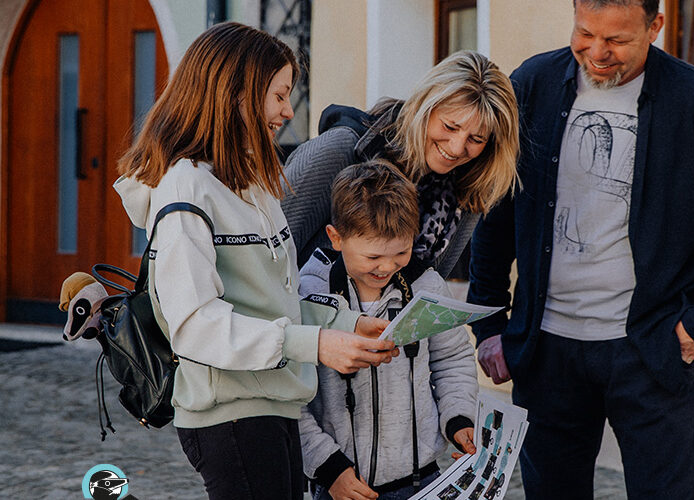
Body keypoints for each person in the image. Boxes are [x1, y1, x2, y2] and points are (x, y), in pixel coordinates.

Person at [467, 1, 694, 499]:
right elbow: (496, 207)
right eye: (585, 33)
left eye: (616, 41)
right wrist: (488, 324)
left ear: (655, 26)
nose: (596, 52)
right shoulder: (532, 83)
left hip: (652, 352)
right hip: (546, 352)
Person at [113, 22, 397, 500]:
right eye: (279, 95)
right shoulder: (186, 188)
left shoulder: (251, 184)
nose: (288, 111)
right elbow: (197, 325)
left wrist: (346, 324)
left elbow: (270, 303)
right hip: (231, 417)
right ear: (237, 92)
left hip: (274, 404)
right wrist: (317, 343)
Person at [298, 160, 479, 500]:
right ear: (336, 238)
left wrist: (459, 420)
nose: (386, 267)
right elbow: (291, 395)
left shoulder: (426, 286)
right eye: (373, 257)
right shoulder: (308, 296)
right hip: (341, 483)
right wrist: (327, 465)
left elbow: (452, 359)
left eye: (401, 252)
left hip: (423, 479)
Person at [281, 50, 519, 279]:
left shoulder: (467, 189)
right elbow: (268, 254)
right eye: (450, 127)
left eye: (476, 139)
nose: (457, 148)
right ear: (425, 107)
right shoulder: (339, 150)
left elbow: (431, 283)